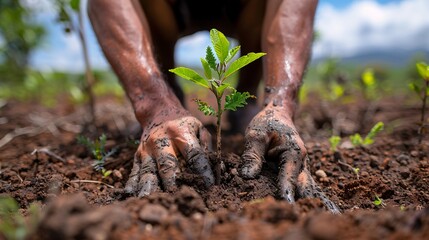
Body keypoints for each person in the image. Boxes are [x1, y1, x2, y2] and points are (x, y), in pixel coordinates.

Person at [88, 0, 340, 213]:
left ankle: (248, 100)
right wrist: (152, 106)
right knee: (160, 104)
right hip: (166, 10)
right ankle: (165, 99)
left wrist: (281, 104)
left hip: (246, 10)